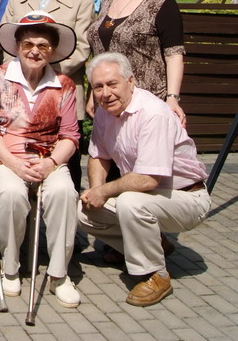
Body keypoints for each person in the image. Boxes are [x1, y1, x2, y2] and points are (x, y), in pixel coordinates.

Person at [79, 52, 210, 307]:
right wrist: (95, 191)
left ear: (130, 81)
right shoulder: (105, 112)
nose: (106, 93)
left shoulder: (153, 113)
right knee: (84, 211)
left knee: (130, 202)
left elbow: (148, 179)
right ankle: (153, 244)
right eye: (98, 87)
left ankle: (155, 275)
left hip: (187, 197)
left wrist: (103, 192)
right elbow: (98, 156)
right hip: (151, 197)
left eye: (112, 84)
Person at [0, 11, 81, 308]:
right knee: (11, 193)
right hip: (4, 158)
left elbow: (71, 135)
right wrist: (14, 163)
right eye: (28, 44)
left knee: (64, 192)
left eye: (43, 46)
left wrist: (50, 163)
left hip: (48, 159)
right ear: (17, 46)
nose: (35, 51)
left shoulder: (64, 84)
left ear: (52, 51)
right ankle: (10, 266)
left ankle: (59, 273)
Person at [2, 0, 95, 190]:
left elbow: (81, 49)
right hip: (20, 94)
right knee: (20, 164)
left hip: (62, 92)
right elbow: (8, 46)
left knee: (65, 167)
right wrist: (18, 79)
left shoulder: (81, 1)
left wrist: (40, 73)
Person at [86, 0, 185, 125]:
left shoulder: (162, 3)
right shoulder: (108, 0)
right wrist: (93, 91)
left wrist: (172, 98)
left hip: (145, 102)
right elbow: (100, 52)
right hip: (108, 101)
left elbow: (174, 55)